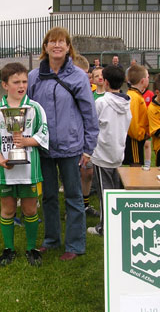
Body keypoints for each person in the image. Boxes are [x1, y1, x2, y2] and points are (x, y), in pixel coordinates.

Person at [27, 27, 99, 261]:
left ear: (68, 47)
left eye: (62, 42)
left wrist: (88, 147)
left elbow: (89, 114)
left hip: (71, 147)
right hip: (43, 146)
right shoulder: (34, 77)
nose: (57, 45)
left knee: (73, 196)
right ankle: (51, 240)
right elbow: (29, 111)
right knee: (48, 195)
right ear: (45, 46)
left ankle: (75, 245)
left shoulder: (78, 76)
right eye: (52, 41)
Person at [0, 63, 48, 267]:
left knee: (30, 210)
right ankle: (8, 249)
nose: (21, 86)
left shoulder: (35, 108)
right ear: (4, 85)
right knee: (8, 209)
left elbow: (44, 134)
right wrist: (0, 159)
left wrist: (26, 142)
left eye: (24, 81)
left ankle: (31, 248)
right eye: (16, 82)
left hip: (30, 169)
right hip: (5, 170)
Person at [87, 65, 131, 236]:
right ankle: (118, 222)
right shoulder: (127, 102)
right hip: (118, 153)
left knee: (105, 194)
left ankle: (104, 227)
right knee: (115, 192)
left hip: (102, 155)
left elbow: (92, 126)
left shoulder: (101, 102)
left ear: (105, 82)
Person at [72, 54, 100, 217]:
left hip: (85, 139)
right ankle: (73, 208)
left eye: (88, 75)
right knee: (73, 175)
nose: (86, 79)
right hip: (70, 140)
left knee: (88, 172)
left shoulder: (88, 90)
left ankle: (85, 204)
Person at [123, 64, 149, 166]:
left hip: (138, 136)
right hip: (134, 138)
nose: (148, 79)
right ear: (142, 81)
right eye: (147, 77)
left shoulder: (137, 95)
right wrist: (140, 134)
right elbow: (132, 121)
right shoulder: (134, 97)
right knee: (135, 164)